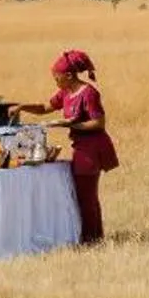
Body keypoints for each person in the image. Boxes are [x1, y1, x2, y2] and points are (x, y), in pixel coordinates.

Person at [12, 49, 118, 243]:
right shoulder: (66, 92)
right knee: (83, 194)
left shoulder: (89, 93)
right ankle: (92, 236)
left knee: (86, 195)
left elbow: (98, 123)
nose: (55, 82)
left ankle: (91, 238)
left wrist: (68, 124)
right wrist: (21, 107)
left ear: (69, 75)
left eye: (57, 78)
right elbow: (45, 108)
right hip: (80, 147)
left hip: (92, 148)